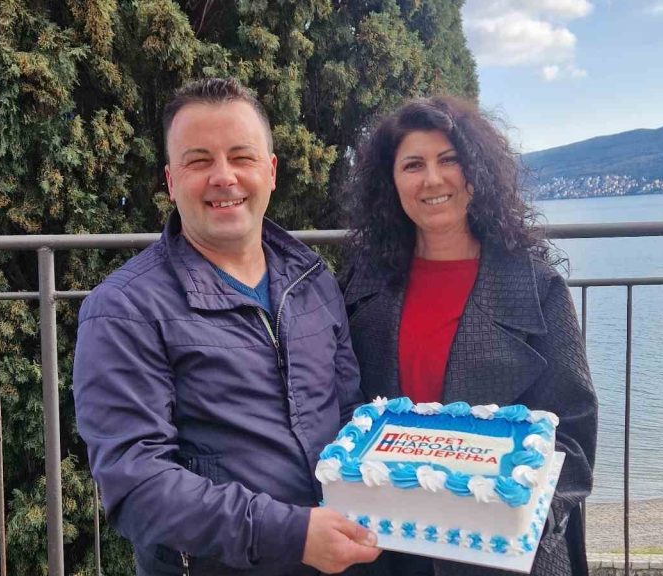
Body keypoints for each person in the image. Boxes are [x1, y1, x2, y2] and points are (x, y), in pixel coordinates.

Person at [73, 77, 381, 576]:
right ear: (171, 181)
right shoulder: (124, 309)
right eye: (198, 161)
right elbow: (138, 485)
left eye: (242, 157)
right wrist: (292, 535)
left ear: (271, 171)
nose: (224, 177)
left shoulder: (314, 281)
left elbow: (352, 417)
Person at [340, 95, 598, 576]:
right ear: (390, 182)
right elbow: (344, 406)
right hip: (388, 550)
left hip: (506, 557)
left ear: (476, 171)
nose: (432, 179)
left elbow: (574, 430)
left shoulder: (537, 286)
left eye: (449, 159)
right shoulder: (362, 282)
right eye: (413, 165)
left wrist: (521, 518)